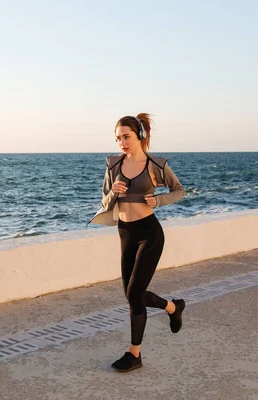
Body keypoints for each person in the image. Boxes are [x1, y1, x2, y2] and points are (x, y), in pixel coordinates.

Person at [90, 114, 186, 372]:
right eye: (118, 138)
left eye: (126, 137)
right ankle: (173, 307)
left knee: (134, 294)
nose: (121, 142)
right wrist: (114, 192)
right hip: (125, 233)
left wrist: (160, 200)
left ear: (140, 136)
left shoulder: (156, 164)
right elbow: (104, 203)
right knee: (133, 295)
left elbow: (179, 190)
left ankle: (134, 354)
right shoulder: (112, 165)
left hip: (149, 233)